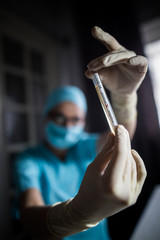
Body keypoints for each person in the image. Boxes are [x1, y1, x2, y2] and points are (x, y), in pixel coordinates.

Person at [13, 26, 148, 240]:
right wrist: (74, 216)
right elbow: (30, 218)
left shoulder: (84, 146)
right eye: (59, 117)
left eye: (75, 119)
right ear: (46, 116)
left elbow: (121, 134)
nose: (67, 125)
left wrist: (124, 99)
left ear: (83, 121)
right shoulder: (30, 159)